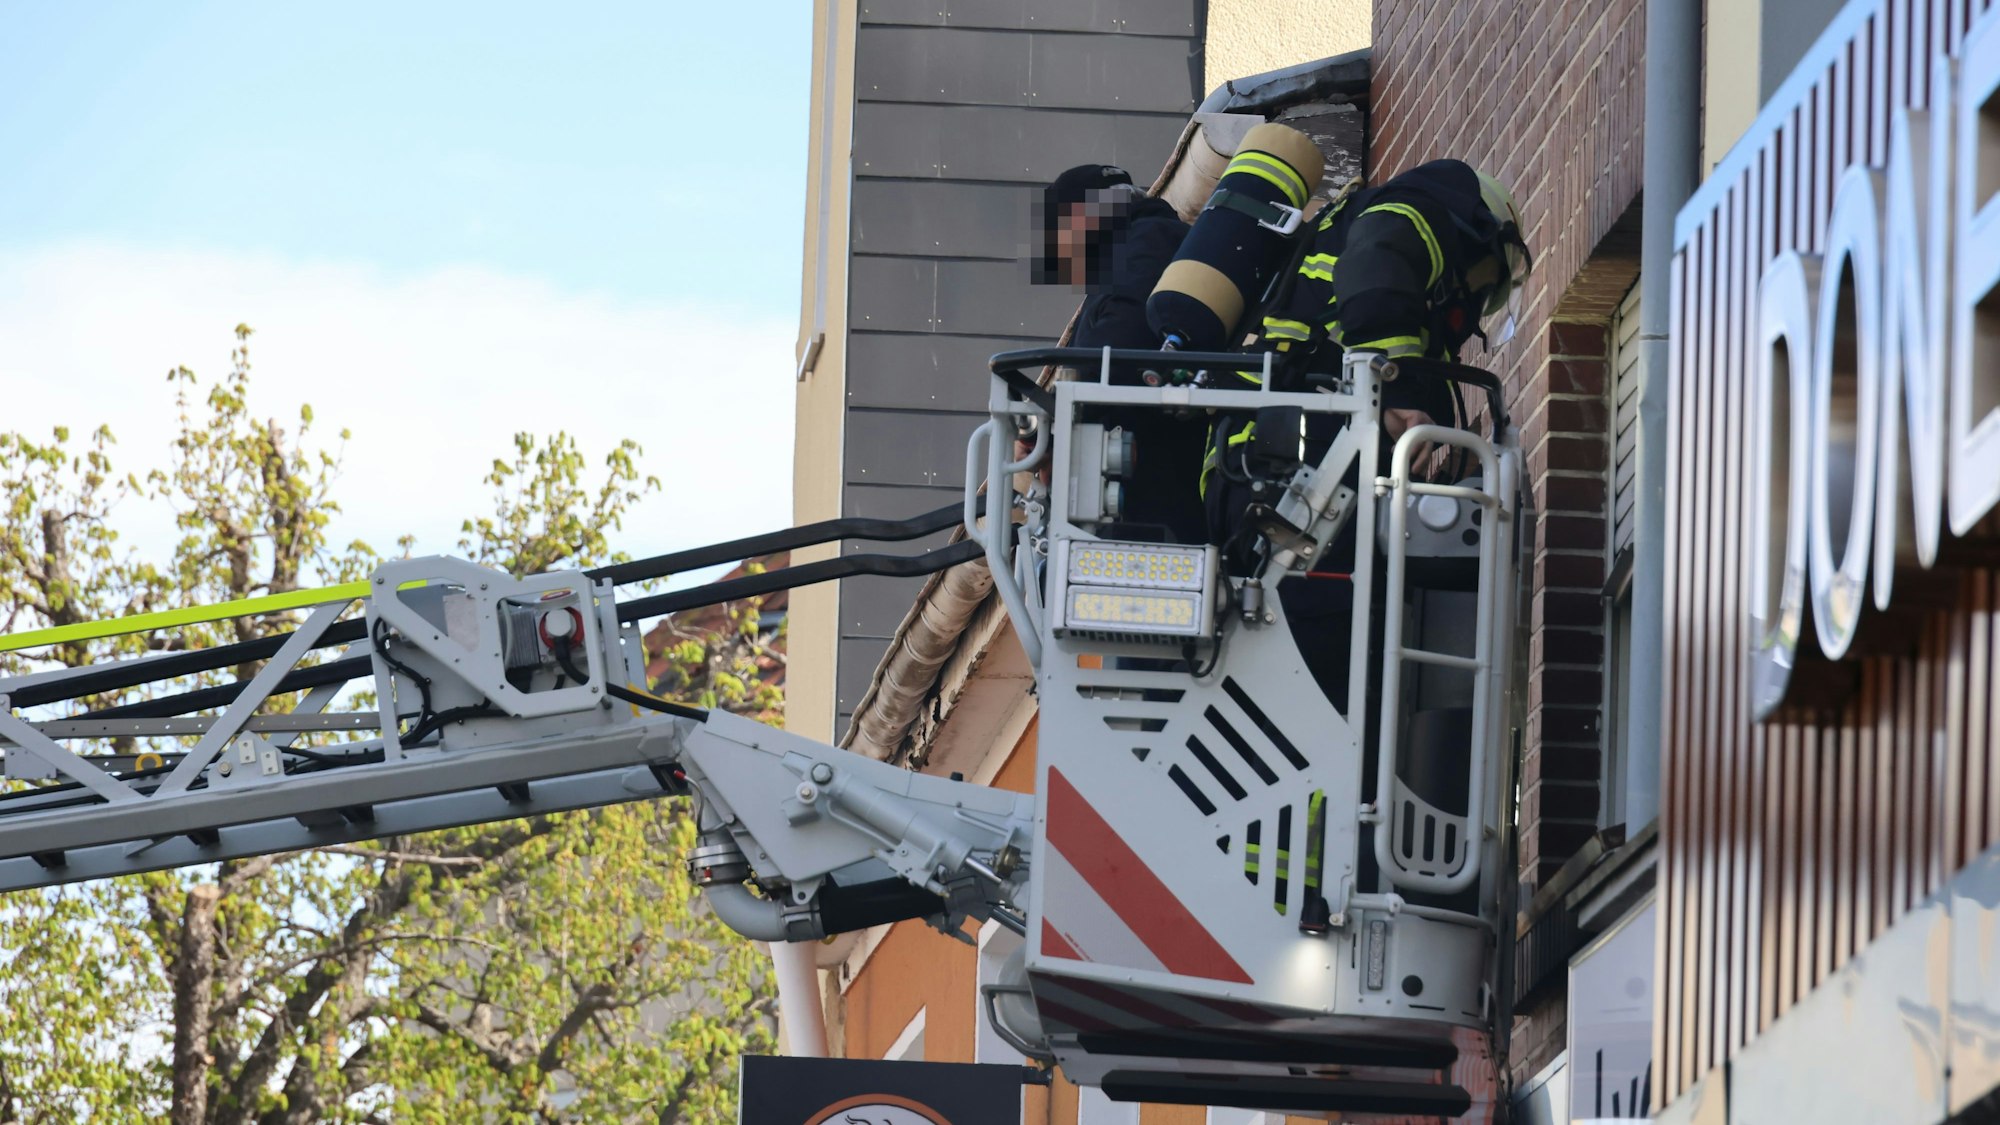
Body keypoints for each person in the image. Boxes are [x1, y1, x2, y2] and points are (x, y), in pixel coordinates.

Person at [1203, 159, 1532, 708]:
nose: (1471, 303)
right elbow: (1381, 264)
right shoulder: (1419, 212)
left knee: (1304, 663)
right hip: (1299, 478)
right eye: (1483, 284)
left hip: (1260, 475)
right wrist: (1401, 395)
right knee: (1333, 669)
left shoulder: (1344, 227)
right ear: (1481, 236)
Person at [1033, 163, 1207, 542]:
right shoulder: (1139, 249)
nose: (1062, 246)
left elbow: (1118, 346)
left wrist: (1054, 426)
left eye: (1063, 228)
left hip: (1153, 486)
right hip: (1148, 479)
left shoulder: (1146, 245)